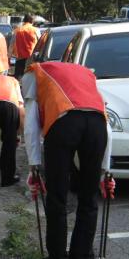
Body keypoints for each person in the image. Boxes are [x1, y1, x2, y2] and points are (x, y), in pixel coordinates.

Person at [22, 61, 114, 259]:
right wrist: (105, 172)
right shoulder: (86, 76)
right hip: (97, 126)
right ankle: (81, 254)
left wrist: (34, 166)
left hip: (63, 123)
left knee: (57, 196)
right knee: (89, 197)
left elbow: (30, 125)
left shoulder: (34, 74)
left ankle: (57, 254)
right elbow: (106, 125)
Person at [9, 14, 40, 80]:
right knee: (31, 78)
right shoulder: (35, 30)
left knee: (18, 79)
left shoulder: (17, 30)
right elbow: (40, 43)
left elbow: (11, 45)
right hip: (32, 57)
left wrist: (9, 57)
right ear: (32, 21)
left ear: (24, 21)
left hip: (19, 57)